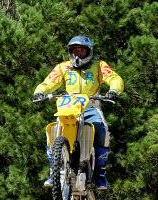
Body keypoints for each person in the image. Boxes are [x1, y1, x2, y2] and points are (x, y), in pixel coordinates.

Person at [32, 35, 124, 190]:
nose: (78, 54)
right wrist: (39, 91)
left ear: (89, 52)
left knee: (101, 129)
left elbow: (114, 78)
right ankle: (54, 171)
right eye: (75, 51)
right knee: (53, 131)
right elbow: (49, 82)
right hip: (68, 107)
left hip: (91, 106)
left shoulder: (99, 66)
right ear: (70, 52)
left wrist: (114, 90)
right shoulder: (63, 67)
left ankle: (100, 174)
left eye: (81, 51)